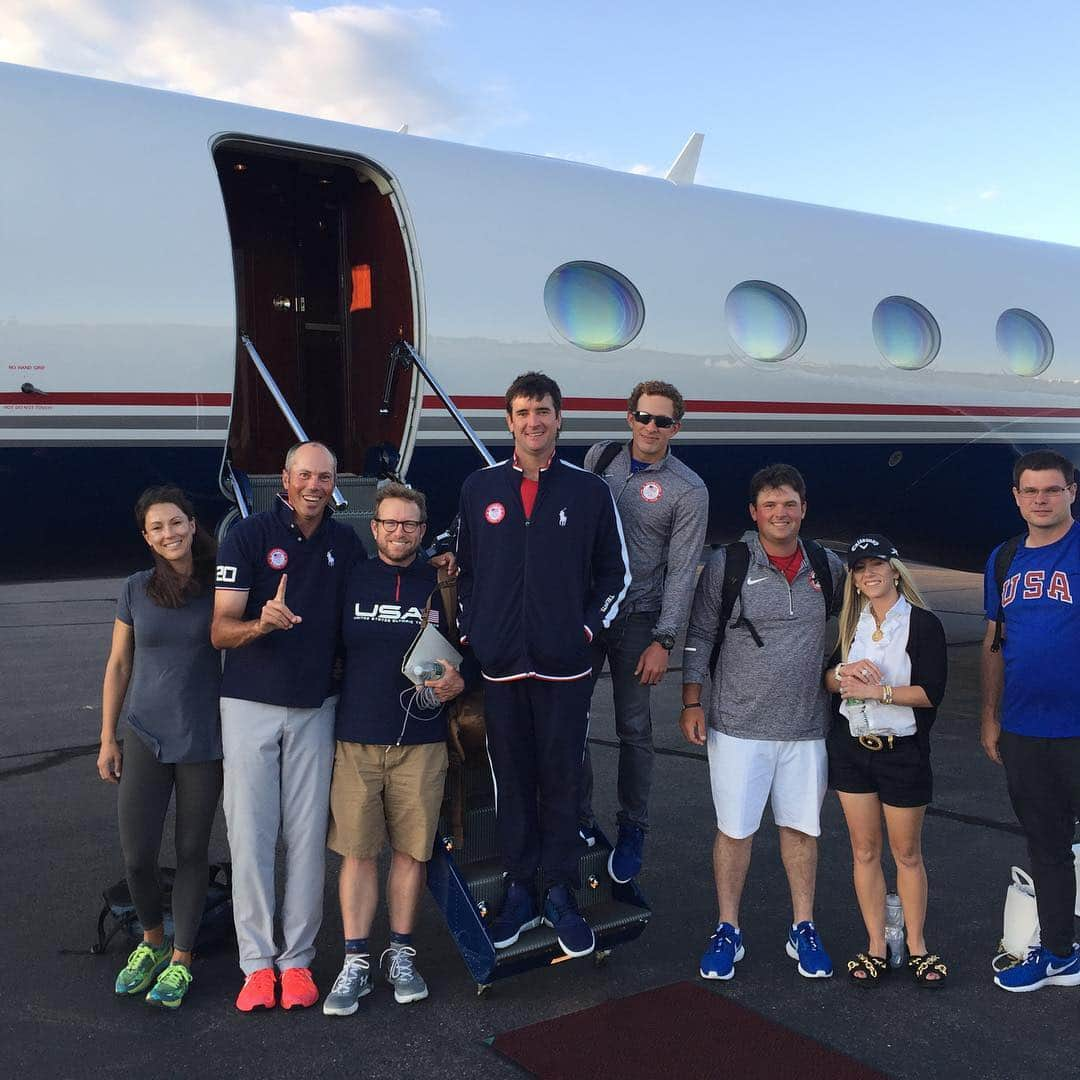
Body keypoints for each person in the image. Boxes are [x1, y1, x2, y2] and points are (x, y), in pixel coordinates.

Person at [456, 371, 631, 959]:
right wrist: (475, 634)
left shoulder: (587, 492)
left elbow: (616, 574)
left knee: (559, 778)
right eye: (524, 412)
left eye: (545, 412)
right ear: (508, 421)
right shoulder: (479, 489)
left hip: (564, 670)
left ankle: (558, 889)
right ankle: (517, 891)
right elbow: (470, 572)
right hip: (502, 668)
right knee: (510, 780)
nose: (534, 422)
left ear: (560, 420)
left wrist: (581, 630)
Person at [211, 441, 364, 1012]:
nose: (314, 486)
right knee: (250, 836)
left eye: (324, 477)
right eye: (304, 475)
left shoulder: (346, 542)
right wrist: (261, 623)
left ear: (333, 483)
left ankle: (296, 962)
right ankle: (255, 965)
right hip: (250, 704)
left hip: (317, 707)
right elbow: (220, 631)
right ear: (285, 476)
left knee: (305, 839)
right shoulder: (247, 536)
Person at [681, 463, 845, 981]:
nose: (781, 513)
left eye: (790, 504)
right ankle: (728, 927)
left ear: (804, 508)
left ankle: (803, 927)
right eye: (770, 505)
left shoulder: (828, 565)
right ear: (754, 513)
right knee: (735, 832)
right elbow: (701, 635)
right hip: (737, 726)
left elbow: (852, 624)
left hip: (806, 728)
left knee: (801, 831)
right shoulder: (729, 562)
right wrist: (691, 702)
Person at [322, 483, 467, 1017]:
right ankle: (355, 962)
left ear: (422, 532)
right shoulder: (351, 578)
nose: (399, 532)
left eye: (410, 524)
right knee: (358, 854)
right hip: (357, 738)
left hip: (422, 743)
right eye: (389, 523)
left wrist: (460, 682)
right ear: (374, 527)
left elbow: (471, 648)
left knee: (411, 853)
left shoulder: (443, 583)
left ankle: (400, 954)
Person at [98, 486, 222, 1009]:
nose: (168, 534)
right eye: (156, 527)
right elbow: (119, 665)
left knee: (192, 853)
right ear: (146, 537)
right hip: (145, 734)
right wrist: (108, 738)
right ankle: (150, 939)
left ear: (193, 525)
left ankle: (181, 959)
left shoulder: (221, 585)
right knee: (138, 856)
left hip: (203, 739)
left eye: (176, 522)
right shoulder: (134, 588)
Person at [579, 380, 708, 883]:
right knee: (573, 721)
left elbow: (682, 571)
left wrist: (665, 639)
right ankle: (580, 819)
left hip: (639, 620)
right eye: (644, 417)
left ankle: (633, 825)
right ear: (629, 417)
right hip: (590, 613)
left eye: (664, 420)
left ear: (677, 426)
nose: (652, 428)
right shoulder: (599, 457)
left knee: (633, 728)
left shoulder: (687, 488)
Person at [823, 535, 948, 987]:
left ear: (895, 570)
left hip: (902, 753)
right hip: (853, 751)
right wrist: (844, 674)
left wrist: (878, 691)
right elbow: (830, 678)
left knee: (907, 854)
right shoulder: (848, 623)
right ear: (854, 580)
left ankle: (917, 945)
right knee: (864, 850)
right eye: (859, 568)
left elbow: (931, 692)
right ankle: (876, 944)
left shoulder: (922, 624)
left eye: (877, 565)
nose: (868, 574)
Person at [981, 449, 1080, 992]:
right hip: (1025, 730)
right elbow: (994, 645)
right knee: (1046, 846)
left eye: (1052, 489)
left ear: (1072, 492)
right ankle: (1062, 953)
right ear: (1017, 497)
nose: (1041, 500)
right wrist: (990, 717)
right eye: (1030, 491)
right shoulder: (1003, 558)